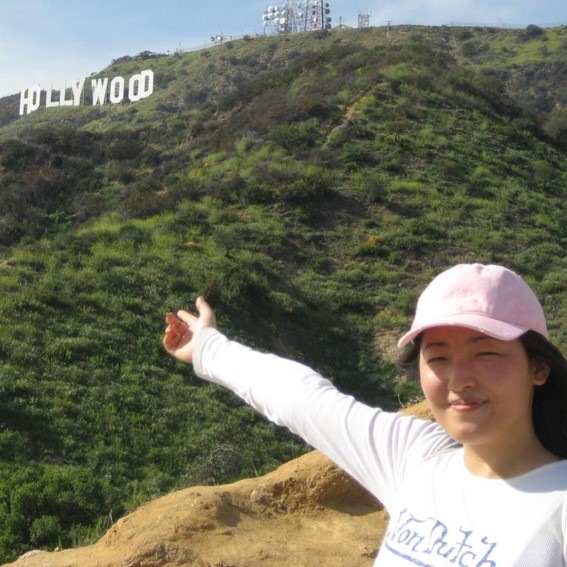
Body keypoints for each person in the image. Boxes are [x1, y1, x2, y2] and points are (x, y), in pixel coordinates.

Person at [163, 263, 567, 566]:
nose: (459, 379)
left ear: (539, 367)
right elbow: (300, 399)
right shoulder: (416, 459)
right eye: (438, 358)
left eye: (486, 354)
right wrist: (207, 348)